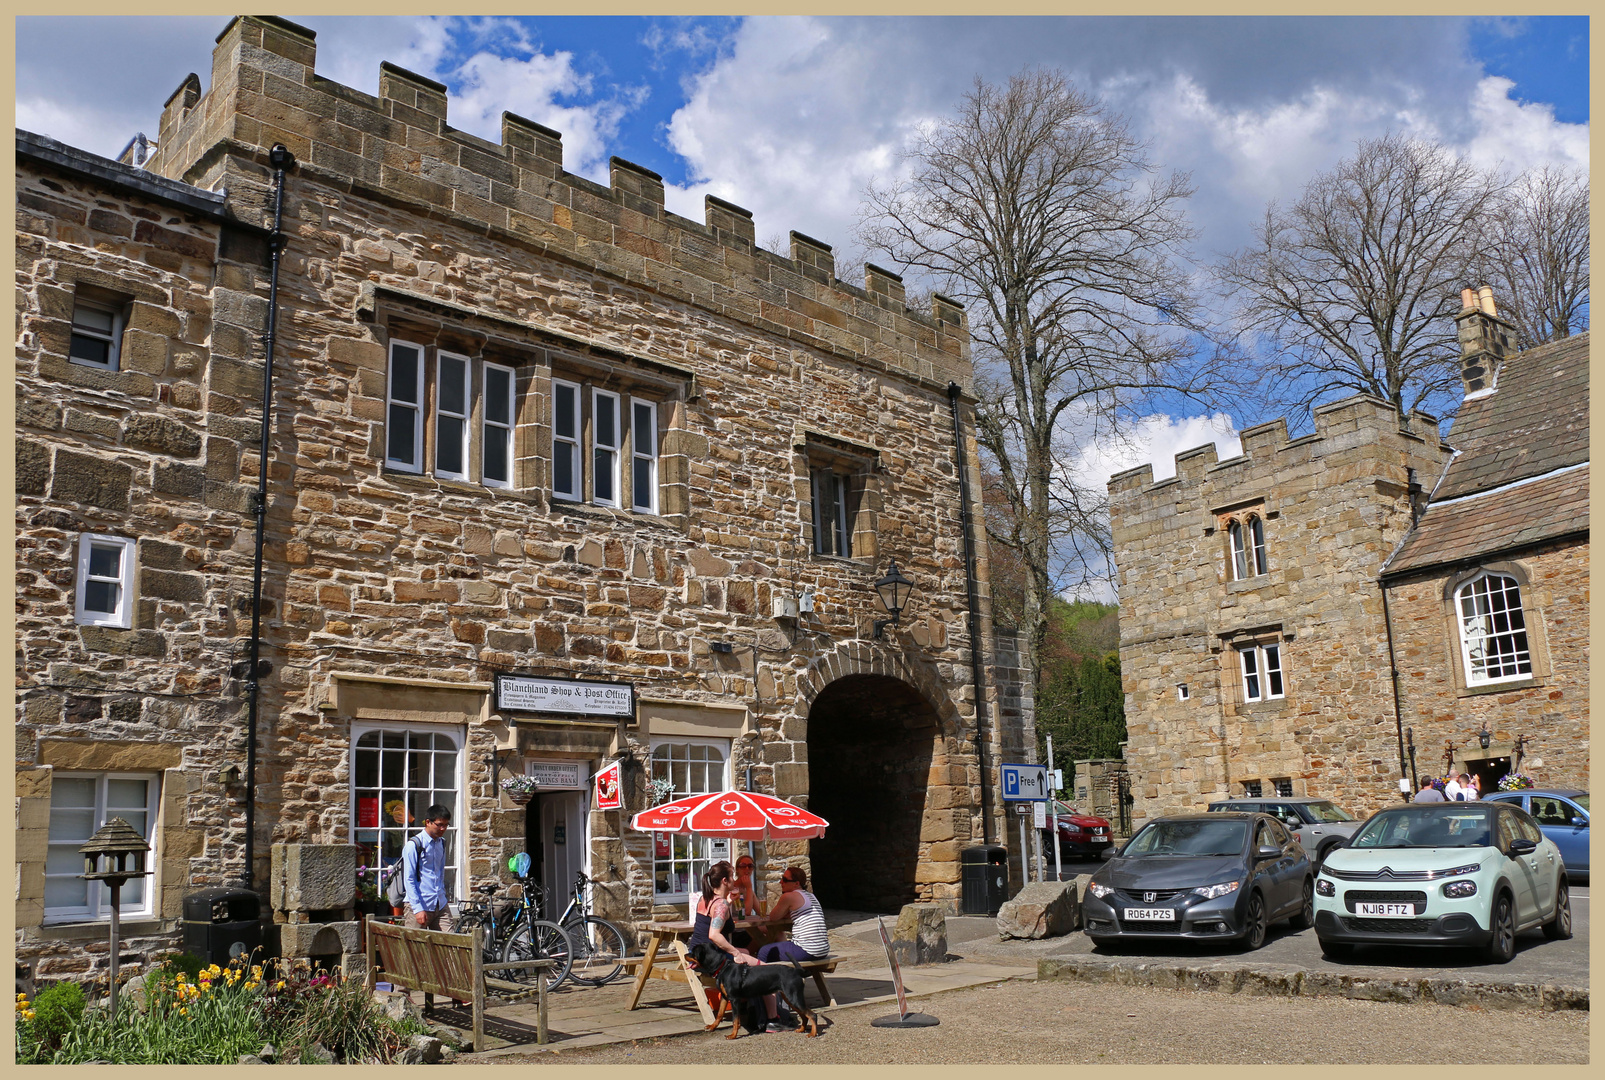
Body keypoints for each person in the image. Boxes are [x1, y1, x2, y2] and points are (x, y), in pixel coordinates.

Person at [689, 861, 786, 1033]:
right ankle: (773, 1020)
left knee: (747, 952)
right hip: (712, 958)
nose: (735, 880)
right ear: (725, 881)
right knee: (765, 972)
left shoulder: (706, 898)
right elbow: (714, 934)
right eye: (732, 876)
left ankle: (747, 1004)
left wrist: (728, 901)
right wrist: (734, 952)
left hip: (699, 952)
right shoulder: (720, 905)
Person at [756, 866, 829, 963]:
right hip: (823, 949)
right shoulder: (811, 896)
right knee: (780, 944)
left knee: (764, 951)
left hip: (807, 949)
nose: (780, 882)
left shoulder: (789, 896)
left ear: (796, 883)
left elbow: (773, 917)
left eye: (785, 880)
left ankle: (762, 977)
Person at [403, 804, 454, 931]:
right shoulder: (413, 845)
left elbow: (440, 873)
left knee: (451, 945)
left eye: (446, 825)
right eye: (439, 824)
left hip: (440, 903)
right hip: (420, 904)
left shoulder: (441, 843)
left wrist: (443, 896)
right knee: (414, 948)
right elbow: (408, 879)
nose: (443, 828)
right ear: (428, 822)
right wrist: (417, 908)